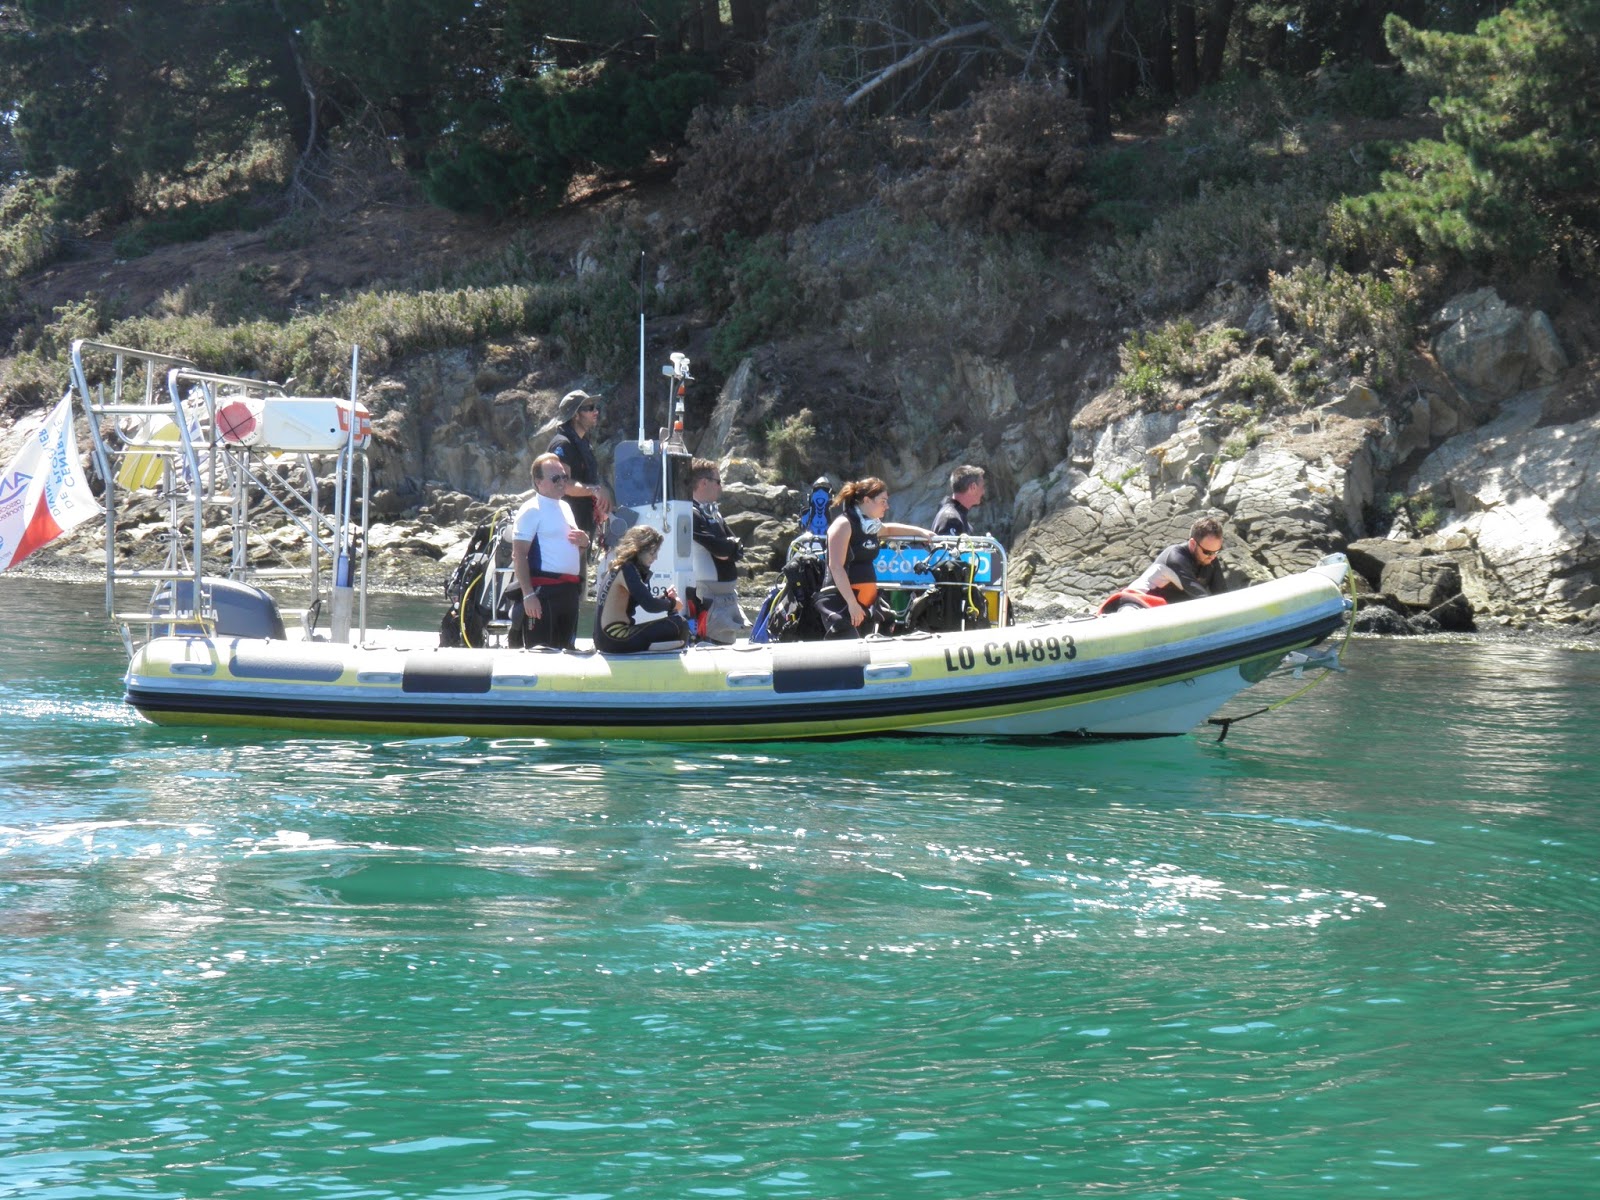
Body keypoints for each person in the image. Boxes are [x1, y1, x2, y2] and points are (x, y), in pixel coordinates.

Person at [815, 477, 934, 638]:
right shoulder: (843, 524)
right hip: (842, 603)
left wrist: (920, 532)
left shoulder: (869, 525)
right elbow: (836, 566)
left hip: (866, 604)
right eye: (883, 501)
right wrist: (852, 603)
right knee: (851, 654)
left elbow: (889, 530)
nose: (887, 506)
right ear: (867, 500)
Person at [510, 453, 590, 649]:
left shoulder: (565, 507)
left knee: (567, 650)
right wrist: (528, 595)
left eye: (564, 477)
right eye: (556, 478)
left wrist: (584, 542)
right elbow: (519, 554)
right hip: (543, 591)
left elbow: (568, 550)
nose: (562, 482)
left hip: (569, 591)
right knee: (541, 651)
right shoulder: (531, 509)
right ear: (539, 482)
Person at [593, 525, 689, 654]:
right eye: (652, 552)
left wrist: (666, 597)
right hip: (614, 639)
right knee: (678, 624)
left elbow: (641, 600)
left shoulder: (619, 567)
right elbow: (650, 605)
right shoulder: (627, 569)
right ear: (637, 549)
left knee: (676, 624)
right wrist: (672, 603)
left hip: (607, 639)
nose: (655, 558)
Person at [544, 388, 611, 566]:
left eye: (595, 407)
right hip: (567, 530)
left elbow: (586, 480)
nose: (596, 411)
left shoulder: (583, 443)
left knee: (579, 585)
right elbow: (563, 485)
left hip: (582, 527)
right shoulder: (562, 444)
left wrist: (598, 505)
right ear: (575, 415)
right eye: (589, 408)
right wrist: (595, 491)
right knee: (571, 583)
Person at [687, 458, 750, 644]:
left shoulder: (713, 512)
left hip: (726, 596)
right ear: (703, 482)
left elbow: (737, 548)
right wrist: (728, 547)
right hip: (709, 596)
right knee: (712, 642)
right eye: (718, 482)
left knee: (726, 641)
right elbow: (721, 549)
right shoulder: (691, 512)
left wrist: (729, 548)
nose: (720, 488)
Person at [1123, 515, 1230, 605]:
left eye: (1217, 551)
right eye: (1207, 552)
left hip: (1164, 610)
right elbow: (1201, 597)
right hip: (1133, 603)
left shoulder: (1210, 558)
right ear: (1193, 544)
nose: (1213, 557)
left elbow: (1222, 595)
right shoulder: (1175, 559)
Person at [932, 465, 987, 536]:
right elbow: (947, 547)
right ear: (973, 487)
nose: (983, 492)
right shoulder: (951, 519)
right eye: (982, 487)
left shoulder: (956, 517)